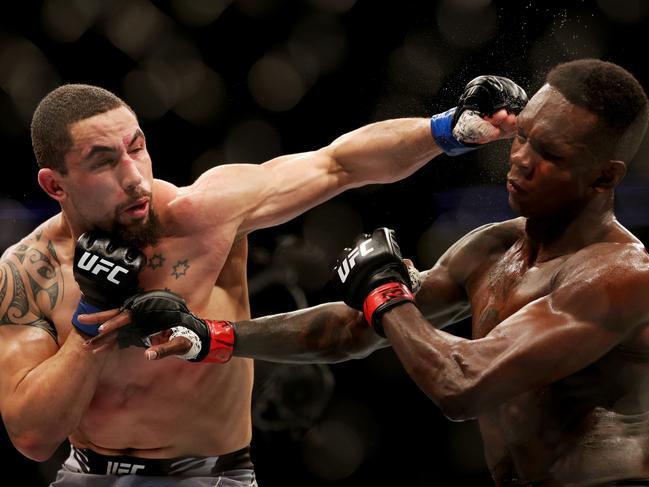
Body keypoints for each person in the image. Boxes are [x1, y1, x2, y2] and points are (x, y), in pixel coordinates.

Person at [90, 58, 649, 486]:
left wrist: (384, 291)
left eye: (549, 153)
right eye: (522, 136)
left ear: (604, 177)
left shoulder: (620, 276)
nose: (521, 159)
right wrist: (209, 336)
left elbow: (463, 384)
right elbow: (352, 329)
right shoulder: (496, 248)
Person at [0, 74, 526, 486]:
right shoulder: (28, 272)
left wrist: (447, 129)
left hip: (215, 477)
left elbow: (339, 165)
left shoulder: (203, 214)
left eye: (137, 147)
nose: (134, 176)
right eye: (104, 162)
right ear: (55, 184)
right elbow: (32, 436)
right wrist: (91, 322)